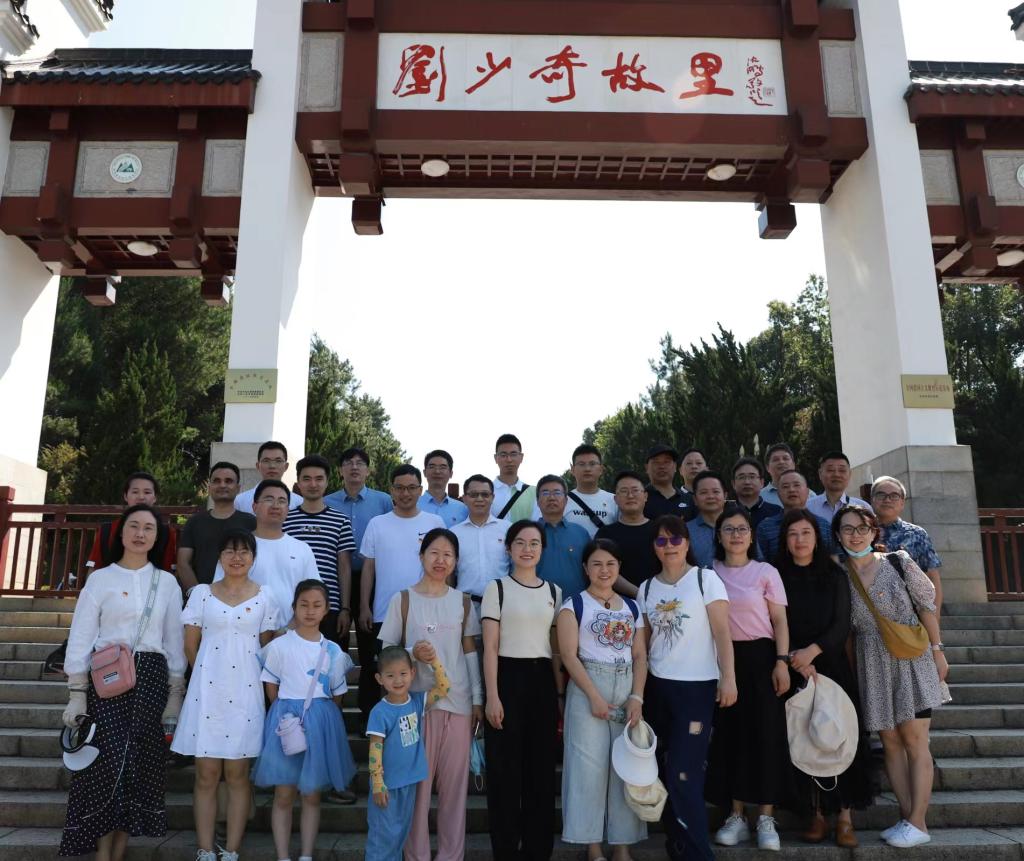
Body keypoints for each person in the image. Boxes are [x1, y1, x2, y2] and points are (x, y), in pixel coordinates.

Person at [59, 503, 186, 860]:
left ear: (157, 538)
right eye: (134, 526)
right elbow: (82, 636)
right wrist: (76, 693)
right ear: (121, 532)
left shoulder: (167, 583)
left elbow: (174, 640)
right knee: (107, 765)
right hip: (108, 680)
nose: (140, 533)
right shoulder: (101, 579)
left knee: (137, 767)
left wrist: (175, 694)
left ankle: (117, 854)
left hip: (152, 679)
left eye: (149, 528)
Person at [835, 504, 946, 850]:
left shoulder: (898, 561)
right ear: (838, 535)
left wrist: (938, 650)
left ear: (874, 532)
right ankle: (906, 816)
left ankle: (919, 821)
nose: (855, 535)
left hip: (911, 657)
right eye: (848, 529)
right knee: (891, 743)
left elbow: (926, 606)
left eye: (862, 528)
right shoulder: (840, 575)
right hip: (871, 661)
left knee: (915, 740)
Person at [172, 530, 279, 861]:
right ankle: (205, 849)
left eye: (244, 551)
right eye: (230, 551)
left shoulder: (265, 596)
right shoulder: (202, 594)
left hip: (247, 692)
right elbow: (190, 645)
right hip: (207, 693)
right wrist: (207, 674)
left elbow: (268, 648)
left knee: (237, 774)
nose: (237, 557)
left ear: (253, 557)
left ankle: (232, 849)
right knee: (206, 774)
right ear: (220, 556)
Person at [378, 528, 483, 861]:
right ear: (421, 556)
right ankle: (417, 856)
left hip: (459, 703)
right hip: (417, 706)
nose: (441, 560)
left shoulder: (463, 601)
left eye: (448, 555)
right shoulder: (403, 599)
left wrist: (478, 699)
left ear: (456, 561)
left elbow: (470, 652)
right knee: (419, 790)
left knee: (455, 791)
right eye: (434, 553)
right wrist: (412, 653)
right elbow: (386, 653)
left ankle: (451, 856)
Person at [637, 515, 735, 861]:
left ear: (687, 543)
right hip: (659, 688)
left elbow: (722, 632)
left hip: (697, 688)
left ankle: (697, 853)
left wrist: (728, 677)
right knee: (665, 771)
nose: (669, 546)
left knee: (684, 772)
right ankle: (677, 845)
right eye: (661, 540)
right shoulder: (646, 588)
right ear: (654, 547)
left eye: (675, 539)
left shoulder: (706, 579)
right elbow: (646, 644)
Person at [774, 510, 873, 848]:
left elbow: (842, 623)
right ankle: (815, 816)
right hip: (793, 667)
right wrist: (794, 658)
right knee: (804, 739)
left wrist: (813, 652)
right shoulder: (776, 575)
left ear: (817, 538)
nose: (800, 539)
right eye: (793, 534)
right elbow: (773, 622)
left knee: (839, 735)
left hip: (830, 665)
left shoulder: (834, 574)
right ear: (785, 541)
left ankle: (845, 819)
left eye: (806, 532)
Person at [557, 539, 648, 861]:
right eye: (596, 564)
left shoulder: (633, 607)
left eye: (610, 563)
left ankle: (622, 846)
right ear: (586, 568)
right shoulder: (573, 605)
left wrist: (637, 697)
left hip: (626, 687)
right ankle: (592, 846)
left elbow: (640, 655)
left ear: (619, 567)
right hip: (587, 687)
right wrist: (594, 696)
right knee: (588, 770)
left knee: (626, 769)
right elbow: (569, 656)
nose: (604, 570)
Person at [252, 580, 357, 861]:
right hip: (287, 721)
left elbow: (337, 694)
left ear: (326, 609)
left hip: (320, 722)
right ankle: (283, 855)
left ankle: (307, 854)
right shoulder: (279, 646)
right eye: (304, 605)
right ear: (294, 607)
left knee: (311, 794)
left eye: (316, 605)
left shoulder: (333, 651)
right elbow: (271, 688)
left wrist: (320, 718)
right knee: (284, 793)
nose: (310, 611)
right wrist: (288, 714)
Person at [707, 505, 791, 852]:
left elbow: (780, 621)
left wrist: (782, 661)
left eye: (742, 528)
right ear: (719, 535)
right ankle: (737, 815)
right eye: (729, 529)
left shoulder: (765, 571)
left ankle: (766, 818)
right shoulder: (709, 573)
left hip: (762, 659)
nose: (736, 535)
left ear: (751, 535)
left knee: (766, 737)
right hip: (722, 662)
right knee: (731, 738)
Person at [482, 520, 563, 861]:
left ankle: (537, 850)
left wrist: (559, 695)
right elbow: (490, 647)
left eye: (534, 543)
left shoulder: (554, 592)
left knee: (540, 772)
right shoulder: (497, 588)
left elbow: (555, 650)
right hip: (506, 678)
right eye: (520, 542)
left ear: (542, 549)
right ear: (509, 547)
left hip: (542, 681)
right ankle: (505, 849)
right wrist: (492, 696)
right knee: (504, 772)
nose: (527, 549)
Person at [359, 465, 445, 718]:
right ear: (391, 490)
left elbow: (444, 567)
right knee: (385, 672)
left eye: (411, 488)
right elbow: (369, 568)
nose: (405, 493)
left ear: (420, 490)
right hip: (384, 613)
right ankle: (380, 725)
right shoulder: (377, 524)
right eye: (399, 488)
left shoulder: (434, 523)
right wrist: (364, 605)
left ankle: (420, 723)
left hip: (425, 612)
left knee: (421, 672)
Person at [323, 447, 394, 720]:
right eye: (348, 463)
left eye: (360, 463)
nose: (354, 467)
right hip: (335, 581)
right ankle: (331, 714)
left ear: (368, 470)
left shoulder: (383, 501)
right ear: (340, 469)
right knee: (334, 651)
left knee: (369, 651)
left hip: (371, 581)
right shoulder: (327, 502)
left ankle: (368, 714)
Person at [366, 646, 451, 861]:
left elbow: (444, 688)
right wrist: (377, 782)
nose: (398, 680)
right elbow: (375, 748)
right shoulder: (380, 712)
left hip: (409, 782)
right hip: (387, 786)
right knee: (381, 838)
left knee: (399, 836)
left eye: (403, 673)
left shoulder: (416, 702)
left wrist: (433, 660)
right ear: (379, 679)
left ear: (413, 673)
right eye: (390, 675)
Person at [213, 479, 320, 628]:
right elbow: (219, 590)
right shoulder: (236, 548)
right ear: (254, 507)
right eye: (269, 499)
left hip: (290, 632)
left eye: (282, 501)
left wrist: (289, 628)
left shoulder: (302, 548)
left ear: (288, 509)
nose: (275, 505)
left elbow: (314, 593)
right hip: (243, 632)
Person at [283, 454, 356, 646]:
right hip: (292, 607)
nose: (313, 484)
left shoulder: (340, 521)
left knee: (330, 660)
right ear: (298, 483)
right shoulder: (285, 520)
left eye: (319, 478)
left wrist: (345, 609)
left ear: (327, 482)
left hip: (330, 607)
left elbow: (344, 567)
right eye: (307, 479)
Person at [871, 476, 944, 616]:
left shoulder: (917, 534)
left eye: (894, 496)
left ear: (902, 502)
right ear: (872, 500)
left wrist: (935, 618)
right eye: (881, 495)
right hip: (870, 612)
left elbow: (932, 578)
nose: (887, 500)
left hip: (911, 614)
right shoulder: (861, 532)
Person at [177, 462, 257, 591]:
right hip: (201, 596)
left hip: (241, 597)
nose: (222, 485)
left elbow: (256, 562)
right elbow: (183, 563)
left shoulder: (251, 522)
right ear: (209, 488)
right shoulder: (195, 522)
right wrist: (197, 594)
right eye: (217, 481)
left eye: (228, 481)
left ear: (238, 488)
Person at [85, 471, 177, 578]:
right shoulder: (107, 530)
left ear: (155, 497)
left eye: (147, 492)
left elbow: (169, 571)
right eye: (135, 492)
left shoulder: (166, 532)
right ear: (125, 496)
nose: (141, 497)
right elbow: (94, 569)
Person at [451, 475, 511, 618]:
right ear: (464, 498)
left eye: (485, 494)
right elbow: (450, 573)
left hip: (502, 605)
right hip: (464, 605)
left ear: (492, 497)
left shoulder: (508, 529)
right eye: (473, 494)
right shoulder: (453, 533)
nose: (479, 499)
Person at [596, 471, 659, 597]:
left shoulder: (659, 530)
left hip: (660, 599)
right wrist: (640, 594)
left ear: (645, 496)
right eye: (624, 491)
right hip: (619, 604)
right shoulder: (605, 534)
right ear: (615, 499)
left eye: (635, 490)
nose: (630, 496)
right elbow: (604, 570)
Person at [755, 471, 832, 562]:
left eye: (796, 485)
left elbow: (833, 560)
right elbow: (760, 565)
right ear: (778, 494)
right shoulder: (765, 527)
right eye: (785, 486)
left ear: (807, 492)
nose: (791, 490)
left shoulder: (824, 525)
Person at [535, 474, 590, 598]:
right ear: (537, 501)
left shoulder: (581, 533)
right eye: (545, 493)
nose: (551, 498)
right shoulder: (527, 533)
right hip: (536, 603)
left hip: (576, 603)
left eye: (557, 493)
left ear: (566, 500)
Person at [563, 444, 618, 537]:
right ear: (572, 469)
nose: (587, 469)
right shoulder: (562, 501)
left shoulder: (614, 500)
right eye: (581, 464)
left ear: (601, 469)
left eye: (592, 464)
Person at [233, 441, 302, 513]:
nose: (272, 466)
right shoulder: (240, 501)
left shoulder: (298, 502)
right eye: (266, 461)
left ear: (286, 466)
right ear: (258, 466)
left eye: (278, 461)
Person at [807, 451, 871, 523]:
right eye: (830, 470)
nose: (836, 474)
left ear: (849, 474)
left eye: (842, 470)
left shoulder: (864, 508)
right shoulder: (807, 508)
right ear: (820, 474)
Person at [491, 434, 537, 522]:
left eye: (513, 454)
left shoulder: (534, 493)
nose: (509, 459)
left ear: (521, 457)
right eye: (503, 455)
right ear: (496, 458)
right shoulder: (486, 493)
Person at [417, 449, 469, 528]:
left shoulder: (462, 509)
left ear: (451, 473)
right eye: (432, 467)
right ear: (424, 472)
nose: (437, 471)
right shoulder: (413, 505)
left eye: (442, 467)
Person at [686, 471, 727, 568]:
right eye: (704, 492)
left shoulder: (741, 528)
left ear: (725, 496)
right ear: (695, 499)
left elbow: (757, 562)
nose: (710, 496)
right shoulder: (685, 531)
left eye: (716, 491)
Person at [730, 457, 781, 530]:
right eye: (741, 477)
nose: (747, 482)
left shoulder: (776, 512)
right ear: (733, 484)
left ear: (762, 482)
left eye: (752, 477)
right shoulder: (725, 511)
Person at [643, 444, 689, 519]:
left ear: (675, 467)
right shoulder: (639, 499)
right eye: (656, 462)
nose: (662, 466)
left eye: (667, 462)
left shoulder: (688, 500)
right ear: (647, 467)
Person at [760, 443, 796, 507]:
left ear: (793, 465)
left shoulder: (809, 495)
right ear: (767, 467)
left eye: (785, 458)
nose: (781, 462)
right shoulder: (759, 497)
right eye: (776, 459)